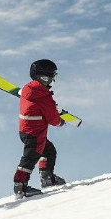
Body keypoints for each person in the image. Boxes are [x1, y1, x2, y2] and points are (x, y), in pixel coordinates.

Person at [14, 59, 66, 199]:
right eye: (52, 77)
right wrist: (60, 121)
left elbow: (40, 107)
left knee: (48, 151)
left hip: (25, 131)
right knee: (29, 159)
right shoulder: (44, 96)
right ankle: (20, 186)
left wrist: (53, 107)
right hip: (35, 134)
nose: (53, 81)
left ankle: (47, 177)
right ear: (45, 77)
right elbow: (52, 119)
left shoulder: (28, 89)